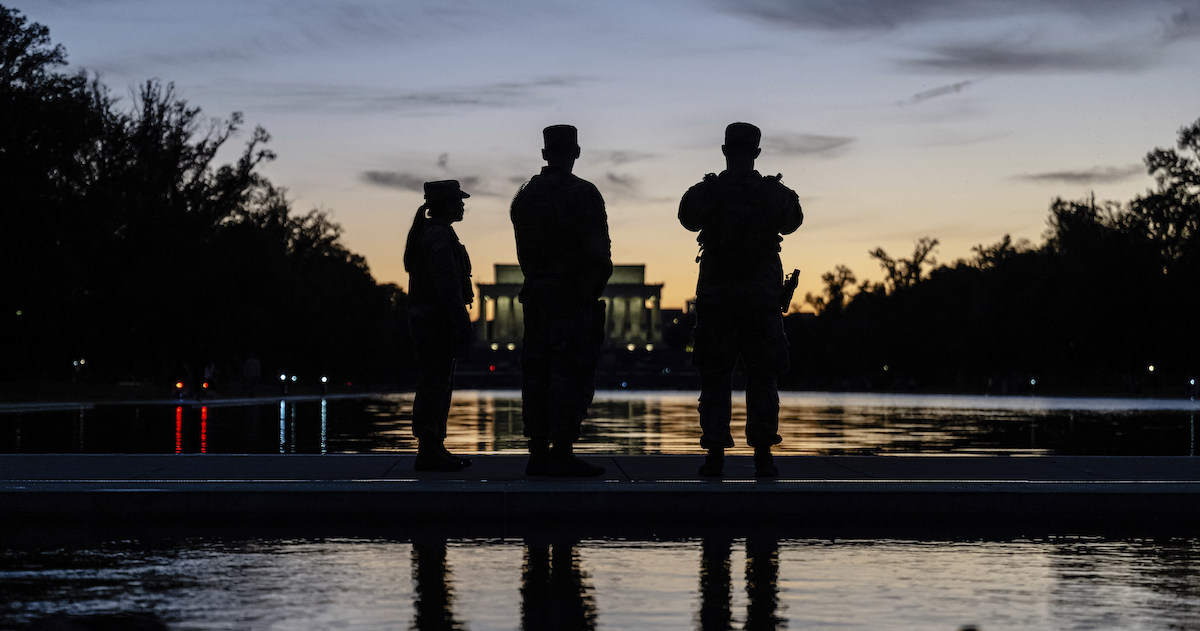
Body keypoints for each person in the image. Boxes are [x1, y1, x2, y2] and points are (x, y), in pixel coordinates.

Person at [679, 122, 803, 477]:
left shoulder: (705, 192)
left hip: (718, 299)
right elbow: (793, 222)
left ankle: (715, 455)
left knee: (715, 376)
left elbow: (686, 219)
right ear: (757, 153)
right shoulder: (775, 194)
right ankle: (763, 456)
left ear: (724, 150)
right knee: (763, 377)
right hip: (760, 299)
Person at [510, 125, 612, 477]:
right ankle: (563, 450)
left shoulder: (524, 196)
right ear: (577, 152)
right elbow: (599, 254)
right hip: (573, 298)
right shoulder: (583, 193)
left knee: (537, 375)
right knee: (572, 373)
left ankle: (537, 452)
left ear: (544, 154)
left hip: (537, 295)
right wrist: (588, 291)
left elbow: (524, 251)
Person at [404, 180, 475, 472]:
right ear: (446, 204)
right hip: (436, 320)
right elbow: (447, 285)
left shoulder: (437, 232)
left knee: (439, 382)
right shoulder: (438, 235)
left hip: (432, 318)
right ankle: (428, 448)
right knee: (435, 383)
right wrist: (461, 321)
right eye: (458, 200)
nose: (462, 205)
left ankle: (435, 446)